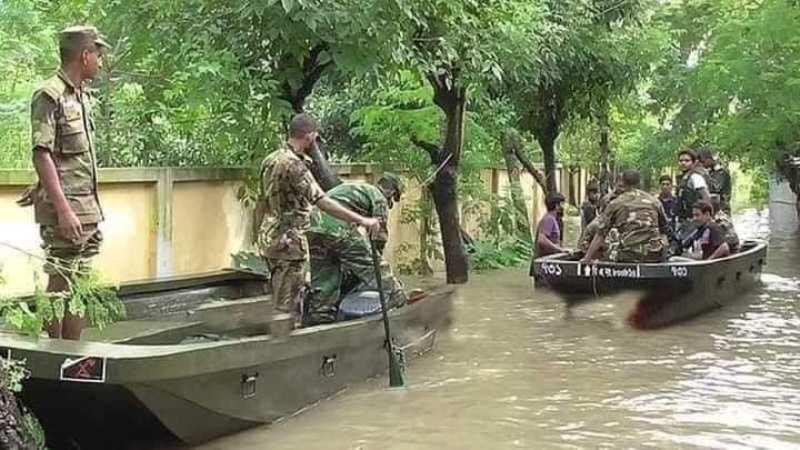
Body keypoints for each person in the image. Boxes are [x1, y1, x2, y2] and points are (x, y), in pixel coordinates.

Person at [20, 26, 110, 340]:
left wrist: (40, 186)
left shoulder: (81, 96)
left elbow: (63, 156)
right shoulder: (50, 95)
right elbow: (41, 152)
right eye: (98, 54)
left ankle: (74, 356)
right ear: (84, 55)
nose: (100, 61)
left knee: (79, 286)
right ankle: (54, 357)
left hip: (87, 207)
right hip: (68, 212)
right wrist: (62, 209)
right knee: (61, 286)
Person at [258, 113, 382, 328]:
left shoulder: (270, 160)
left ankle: (277, 342)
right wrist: (362, 219)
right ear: (310, 136)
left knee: (278, 297)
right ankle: (285, 351)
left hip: (269, 237)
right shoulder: (294, 165)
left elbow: (263, 202)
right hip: (290, 243)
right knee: (288, 306)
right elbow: (322, 200)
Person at [306, 175, 408, 325]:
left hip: (313, 226)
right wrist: (374, 265)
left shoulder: (357, 188)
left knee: (325, 272)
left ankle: (320, 313)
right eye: (392, 199)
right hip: (336, 226)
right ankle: (396, 295)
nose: (390, 203)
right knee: (372, 263)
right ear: (391, 192)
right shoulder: (378, 196)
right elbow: (379, 236)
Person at [582, 170, 669, 263]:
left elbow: (600, 234)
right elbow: (664, 229)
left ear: (623, 181)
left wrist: (587, 258)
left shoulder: (616, 203)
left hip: (629, 255)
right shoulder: (655, 201)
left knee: (603, 250)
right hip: (654, 255)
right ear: (638, 182)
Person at [676, 149, 711, 223]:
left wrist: (704, 218)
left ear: (694, 162)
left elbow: (706, 197)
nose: (683, 163)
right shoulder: (684, 178)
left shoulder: (695, 177)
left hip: (694, 220)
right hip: (685, 220)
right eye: (681, 160)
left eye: (687, 160)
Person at [698, 147, 732, 214]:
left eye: (703, 161)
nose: (702, 164)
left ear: (709, 159)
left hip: (721, 211)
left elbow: (715, 188)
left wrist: (703, 174)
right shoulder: (709, 172)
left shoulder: (721, 172)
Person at [535, 193, 568, 257]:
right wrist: (560, 249)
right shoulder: (548, 219)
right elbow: (541, 240)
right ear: (557, 205)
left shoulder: (553, 219)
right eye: (562, 204)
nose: (563, 207)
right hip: (543, 261)